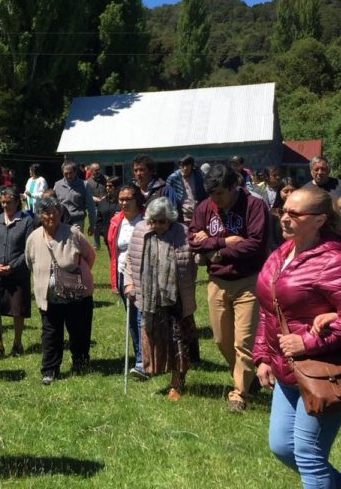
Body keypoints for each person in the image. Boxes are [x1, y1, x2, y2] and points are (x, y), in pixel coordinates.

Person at [253, 187, 341, 487]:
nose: (285, 218)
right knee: (282, 447)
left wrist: (309, 342)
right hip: (286, 372)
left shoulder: (333, 260)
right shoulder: (281, 253)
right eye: (283, 210)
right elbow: (268, 309)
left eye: (295, 213)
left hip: (321, 372)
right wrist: (263, 356)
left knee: (307, 453)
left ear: (319, 220)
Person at [188, 163, 269, 412]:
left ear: (234, 187)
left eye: (220, 194)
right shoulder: (205, 207)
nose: (216, 200)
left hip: (248, 281)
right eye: (212, 195)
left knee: (243, 341)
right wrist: (225, 241)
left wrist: (217, 251)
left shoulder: (254, 206)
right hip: (217, 282)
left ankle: (238, 394)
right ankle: (246, 377)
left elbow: (255, 244)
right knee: (222, 340)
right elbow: (193, 240)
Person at [123, 197, 197, 400]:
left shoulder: (181, 232)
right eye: (153, 221)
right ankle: (155, 369)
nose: (157, 225)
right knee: (153, 338)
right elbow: (130, 258)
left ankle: (177, 383)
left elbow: (195, 257)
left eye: (162, 221)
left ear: (170, 220)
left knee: (177, 342)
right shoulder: (140, 231)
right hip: (149, 299)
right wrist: (128, 283)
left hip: (176, 299)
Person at [26, 196, 96, 385]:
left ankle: (80, 363)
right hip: (48, 297)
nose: (51, 216)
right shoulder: (33, 238)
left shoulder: (73, 233)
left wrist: (77, 275)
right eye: (47, 213)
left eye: (55, 212)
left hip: (76, 295)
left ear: (60, 213)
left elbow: (90, 256)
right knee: (50, 334)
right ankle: (50, 369)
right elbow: (29, 263)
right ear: (40, 215)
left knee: (79, 331)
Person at [0, 186, 34, 359]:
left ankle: (17, 343)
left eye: (9, 202)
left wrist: (12, 267)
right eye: (3, 202)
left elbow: (29, 250)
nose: (5, 206)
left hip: (18, 273)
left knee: (17, 309)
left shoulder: (26, 221)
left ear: (17, 202)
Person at [107, 183, 147, 378]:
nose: (124, 202)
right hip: (123, 273)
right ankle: (139, 356)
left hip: (144, 275)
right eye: (121, 199)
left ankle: (143, 360)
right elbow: (112, 250)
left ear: (137, 199)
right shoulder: (116, 221)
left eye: (128, 199)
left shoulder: (146, 220)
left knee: (142, 317)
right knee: (132, 318)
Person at [53, 160, 96, 233]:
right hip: (61, 222)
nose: (69, 176)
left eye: (71, 173)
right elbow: (53, 205)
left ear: (75, 172)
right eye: (66, 173)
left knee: (75, 244)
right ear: (62, 172)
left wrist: (92, 225)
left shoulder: (84, 185)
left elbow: (91, 206)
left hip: (77, 222)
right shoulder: (57, 185)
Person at [165, 155, 208, 224]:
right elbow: (167, 196)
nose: (184, 168)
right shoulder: (173, 178)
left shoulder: (199, 176)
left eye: (187, 165)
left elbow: (205, 193)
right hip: (180, 215)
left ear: (191, 166)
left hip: (197, 213)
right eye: (182, 166)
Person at [95, 177, 120, 255]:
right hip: (108, 236)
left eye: (110, 186)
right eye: (106, 186)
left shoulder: (122, 202)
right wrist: (104, 232)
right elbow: (98, 219)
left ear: (117, 187)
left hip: (121, 236)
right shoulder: (103, 202)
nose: (108, 188)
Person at [86, 163, 107, 248]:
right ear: (91, 171)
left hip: (105, 204)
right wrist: (95, 198)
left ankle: (108, 241)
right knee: (95, 224)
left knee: (106, 223)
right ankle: (96, 244)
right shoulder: (88, 182)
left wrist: (105, 197)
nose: (98, 171)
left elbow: (108, 189)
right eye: (96, 170)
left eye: (99, 169)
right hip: (94, 206)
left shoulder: (104, 179)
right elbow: (87, 194)